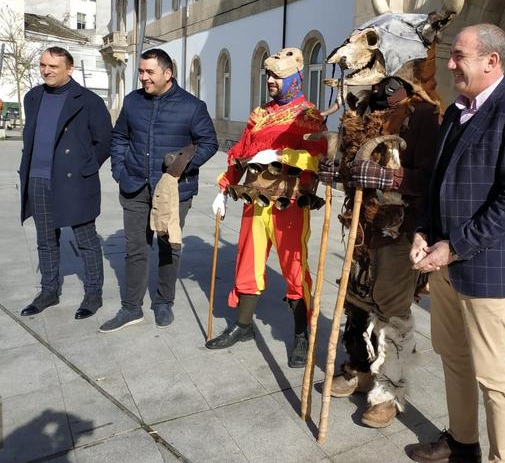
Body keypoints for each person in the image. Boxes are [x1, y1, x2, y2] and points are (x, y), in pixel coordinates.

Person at [406, 24, 505, 463]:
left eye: (459, 57)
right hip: (444, 261)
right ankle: (462, 444)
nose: (449, 65)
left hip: (486, 264)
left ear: (492, 61)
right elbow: (437, 182)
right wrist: (423, 232)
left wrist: (453, 246)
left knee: (492, 375)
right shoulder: (455, 111)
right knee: (452, 356)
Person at [318, 77, 439, 428]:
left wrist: (391, 179)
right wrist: (336, 170)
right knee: (356, 298)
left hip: (400, 229)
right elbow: (354, 166)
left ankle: (389, 393)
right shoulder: (365, 110)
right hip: (362, 224)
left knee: (391, 308)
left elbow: (432, 178)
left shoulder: (424, 114)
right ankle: (358, 369)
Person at [205, 47, 325, 368]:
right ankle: (243, 326)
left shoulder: (308, 115)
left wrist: (280, 156)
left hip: (289, 200)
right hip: (254, 199)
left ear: (296, 78)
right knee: (248, 260)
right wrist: (224, 186)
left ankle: (301, 335)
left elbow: (317, 156)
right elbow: (241, 152)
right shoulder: (259, 114)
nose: (270, 80)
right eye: (269, 75)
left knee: (294, 266)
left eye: (277, 76)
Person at [99, 48, 217, 333]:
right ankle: (131, 307)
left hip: (173, 192)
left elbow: (209, 143)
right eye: (141, 72)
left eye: (149, 72)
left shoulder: (192, 106)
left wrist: (180, 168)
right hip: (135, 185)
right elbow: (119, 137)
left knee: (168, 247)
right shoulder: (132, 102)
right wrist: (119, 170)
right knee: (135, 248)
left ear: (168, 73)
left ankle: (164, 302)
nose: (143, 78)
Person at [18, 46, 112, 320]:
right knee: (45, 240)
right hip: (38, 178)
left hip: (74, 182)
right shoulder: (32, 97)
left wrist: (87, 167)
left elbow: (104, 140)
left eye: (53, 67)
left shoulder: (89, 101)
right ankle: (49, 291)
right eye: (43, 65)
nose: (46, 71)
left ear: (69, 69)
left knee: (86, 240)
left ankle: (93, 293)